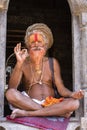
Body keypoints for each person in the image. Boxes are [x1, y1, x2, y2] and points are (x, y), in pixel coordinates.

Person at [6, 23, 84, 119]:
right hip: (29, 103)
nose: (36, 45)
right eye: (33, 43)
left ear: (46, 46)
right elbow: (12, 87)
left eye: (39, 42)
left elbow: (61, 89)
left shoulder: (52, 62)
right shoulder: (23, 63)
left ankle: (27, 114)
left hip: (51, 104)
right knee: (10, 93)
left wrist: (72, 94)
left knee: (74, 103)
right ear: (28, 46)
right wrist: (19, 63)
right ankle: (54, 113)